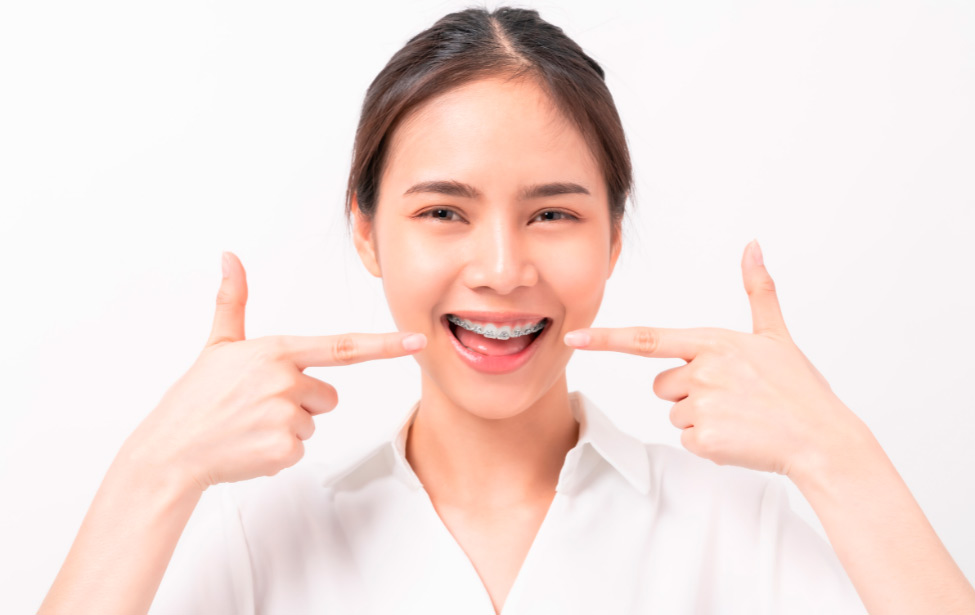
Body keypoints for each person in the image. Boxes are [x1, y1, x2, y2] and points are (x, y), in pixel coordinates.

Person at [38, 7, 975, 615]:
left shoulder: (737, 525)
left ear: (613, 237)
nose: (499, 268)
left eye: (553, 214)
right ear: (365, 232)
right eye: (443, 211)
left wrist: (837, 455)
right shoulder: (261, 536)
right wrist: (151, 470)